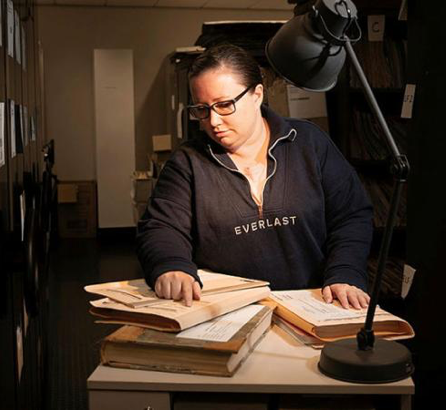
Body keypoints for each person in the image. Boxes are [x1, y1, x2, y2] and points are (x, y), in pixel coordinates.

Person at [136, 43, 374, 309]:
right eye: (202, 109)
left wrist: (345, 271)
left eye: (224, 105)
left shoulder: (308, 143)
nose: (213, 121)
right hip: (226, 311)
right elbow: (161, 227)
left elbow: (351, 215)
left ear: (257, 94)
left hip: (316, 303)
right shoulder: (187, 163)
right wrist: (171, 265)